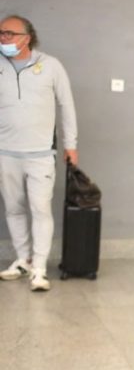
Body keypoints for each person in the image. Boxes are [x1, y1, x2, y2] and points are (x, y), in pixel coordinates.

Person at [0, 15, 78, 292]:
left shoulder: (50, 65)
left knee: (40, 209)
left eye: (10, 33)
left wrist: (71, 145)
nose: (4, 38)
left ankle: (40, 269)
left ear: (27, 37)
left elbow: (66, 105)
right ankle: (23, 260)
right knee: (13, 208)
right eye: (1, 33)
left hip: (40, 154)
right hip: (5, 153)